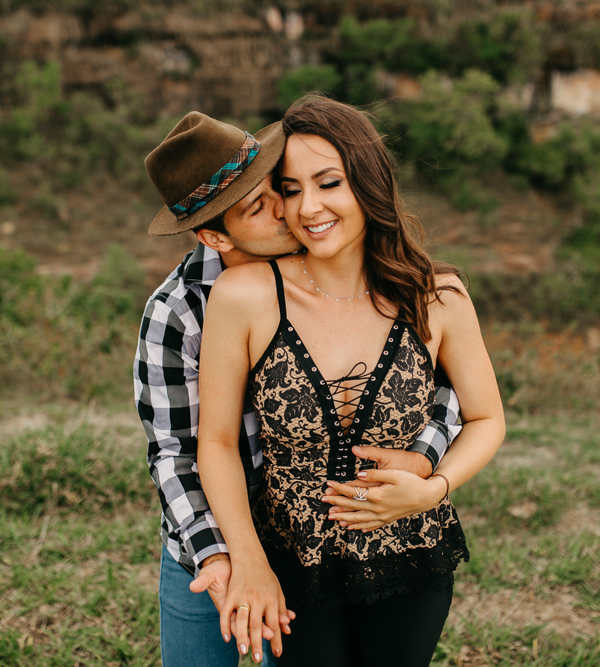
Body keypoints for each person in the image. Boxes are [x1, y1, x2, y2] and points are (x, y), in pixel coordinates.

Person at [134, 111, 464, 666]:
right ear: (215, 234)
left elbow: (436, 382)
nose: (292, 209)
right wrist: (227, 558)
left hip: (316, 538)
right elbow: (178, 452)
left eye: (278, 188)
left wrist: (416, 464)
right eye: (259, 207)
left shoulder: (333, 263)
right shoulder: (178, 312)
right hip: (210, 537)